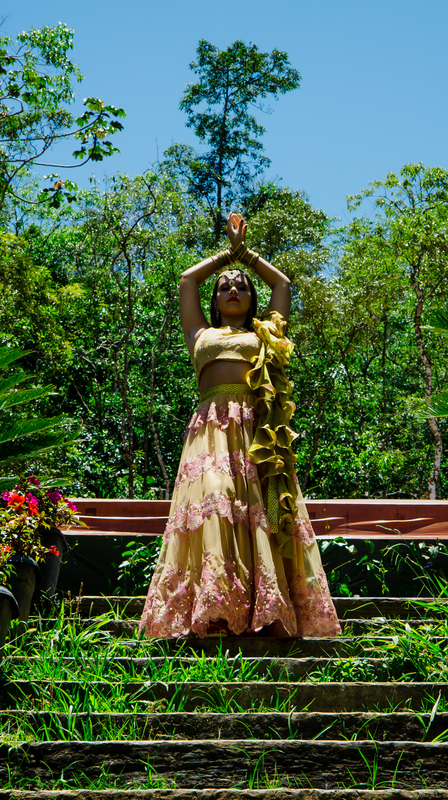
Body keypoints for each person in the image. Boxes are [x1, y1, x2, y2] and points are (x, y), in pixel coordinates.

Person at [139, 213, 342, 638]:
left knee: (259, 512)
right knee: (213, 503)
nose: (233, 289)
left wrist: (246, 254)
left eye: (242, 285)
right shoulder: (199, 334)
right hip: (211, 430)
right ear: (214, 301)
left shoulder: (268, 333)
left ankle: (267, 612)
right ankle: (215, 609)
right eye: (226, 286)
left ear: (252, 299)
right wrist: (225, 256)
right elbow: (186, 281)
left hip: (257, 434)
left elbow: (283, 285)